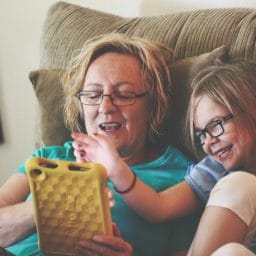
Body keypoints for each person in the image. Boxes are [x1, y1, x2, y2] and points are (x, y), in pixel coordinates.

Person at [1, 33, 200, 256]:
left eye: (124, 94)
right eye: (93, 94)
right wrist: (53, 204)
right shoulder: (47, 159)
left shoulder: (182, 178)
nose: (105, 107)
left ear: (153, 104)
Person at [73, 61, 256, 255]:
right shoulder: (215, 169)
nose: (208, 143)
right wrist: (116, 168)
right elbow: (159, 207)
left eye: (215, 125)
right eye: (201, 134)